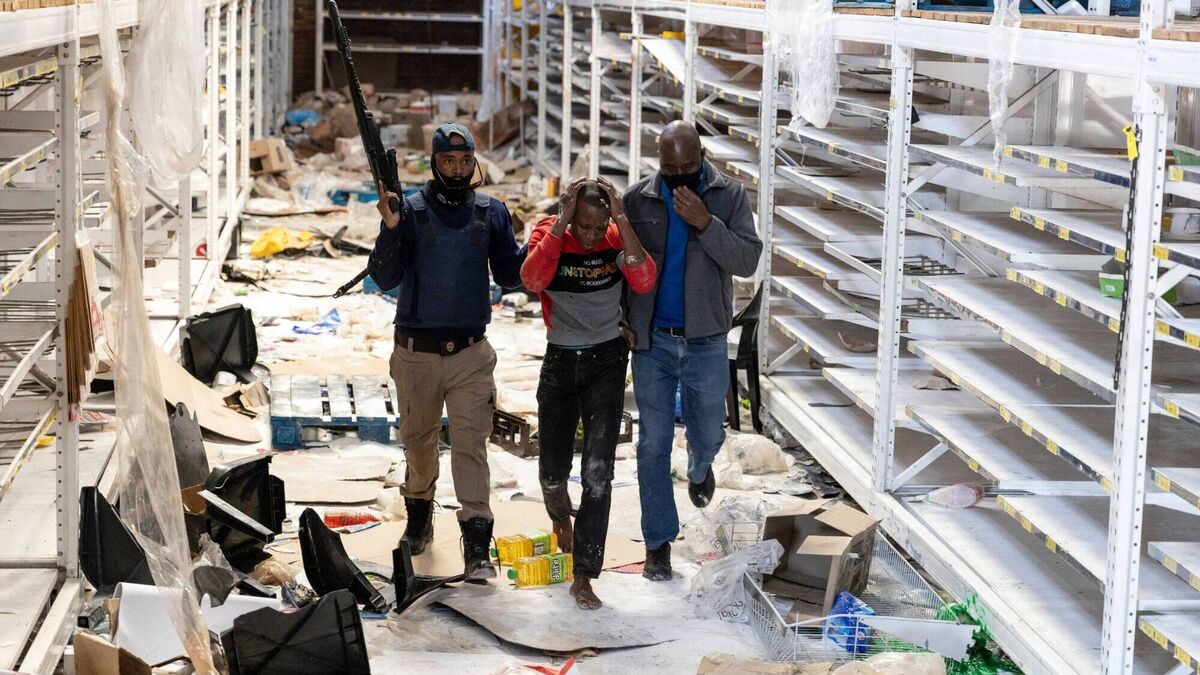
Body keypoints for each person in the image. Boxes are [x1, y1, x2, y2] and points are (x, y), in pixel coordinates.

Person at [370, 123, 523, 581]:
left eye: (464, 161)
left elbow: (511, 275)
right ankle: (419, 522)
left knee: (470, 448)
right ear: (434, 163)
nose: (457, 169)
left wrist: (547, 239)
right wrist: (390, 229)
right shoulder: (409, 212)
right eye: (447, 161)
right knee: (419, 446)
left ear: (474, 162)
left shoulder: (492, 213)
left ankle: (477, 546)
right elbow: (385, 278)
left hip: (470, 355)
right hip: (415, 354)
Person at [621, 120, 763, 581]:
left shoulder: (729, 196)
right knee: (652, 444)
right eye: (670, 169)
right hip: (652, 341)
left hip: (705, 338)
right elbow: (621, 264)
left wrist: (705, 222)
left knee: (708, 433)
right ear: (658, 162)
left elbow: (747, 261)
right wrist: (623, 320)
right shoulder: (637, 200)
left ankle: (701, 466)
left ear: (702, 157)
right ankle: (658, 544)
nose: (679, 176)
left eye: (688, 167)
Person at [520, 177, 656, 609]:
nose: (594, 236)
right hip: (560, 361)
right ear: (569, 215)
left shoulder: (615, 236)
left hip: (606, 361)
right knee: (552, 469)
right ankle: (560, 515)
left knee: (599, 473)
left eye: (600, 227)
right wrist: (562, 224)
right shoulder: (549, 233)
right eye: (585, 226)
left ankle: (584, 575)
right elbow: (532, 279)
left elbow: (643, 279)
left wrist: (621, 219)